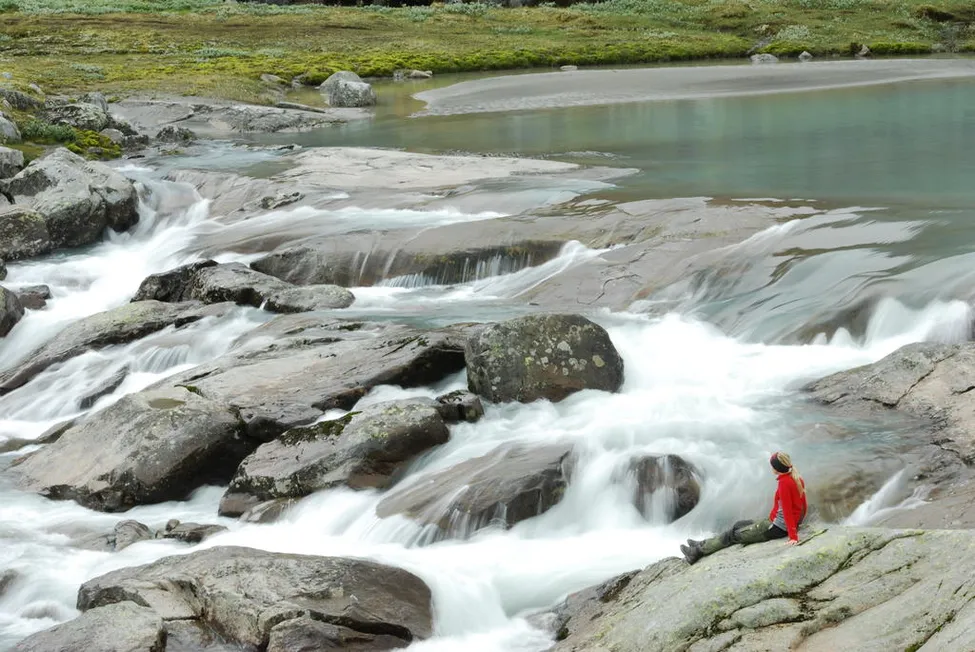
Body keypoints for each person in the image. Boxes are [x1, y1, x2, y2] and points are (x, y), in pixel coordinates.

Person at [680, 451, 807, 565]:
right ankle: (701, 543)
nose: (771, 467)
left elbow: (787, 511)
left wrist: (793, 536)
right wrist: (799, 522)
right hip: (773, 521)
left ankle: (697, 552)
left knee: (734, 535)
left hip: (776, 528)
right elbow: (803, 504)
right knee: (738, 524)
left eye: (772, 465)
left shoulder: (784, 484)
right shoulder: (796, 478)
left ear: (776, 468)